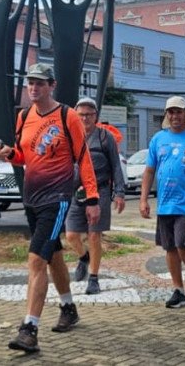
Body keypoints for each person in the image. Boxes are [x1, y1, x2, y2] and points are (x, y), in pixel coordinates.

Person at [0, 63, 100, 354]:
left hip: (57, 199)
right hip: (31, 199)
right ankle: (68, 308)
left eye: (40, 83)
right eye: (30, 82)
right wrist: (6, 155)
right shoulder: (24, 116)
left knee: (36, 261)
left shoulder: (68, 116)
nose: (33, 87)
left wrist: (92, 198)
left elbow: (83, 158)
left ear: (52, 85)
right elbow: (23, 156)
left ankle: (29, 329)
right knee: (52, 257)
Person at [139, 96, 185, 308]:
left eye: (178, 112)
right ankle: (178, 289)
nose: (174, 116)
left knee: (182, 243)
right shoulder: (158, 139)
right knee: (169, 247)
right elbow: (150, 170)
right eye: (170, 112)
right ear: (166, 115)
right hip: (165, 204)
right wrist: (143, 200)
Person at [65, 97, 126, 295]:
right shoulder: (70, 136)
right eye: (81, 114)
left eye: (89, 115)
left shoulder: (104, 137)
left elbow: (116, 165)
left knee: (94, 235)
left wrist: (119, 192)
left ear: (95, 116)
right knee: (71, 235)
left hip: (99, 191)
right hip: (76, 192)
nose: (84, 118)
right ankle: (83, 257)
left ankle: (94, 277)